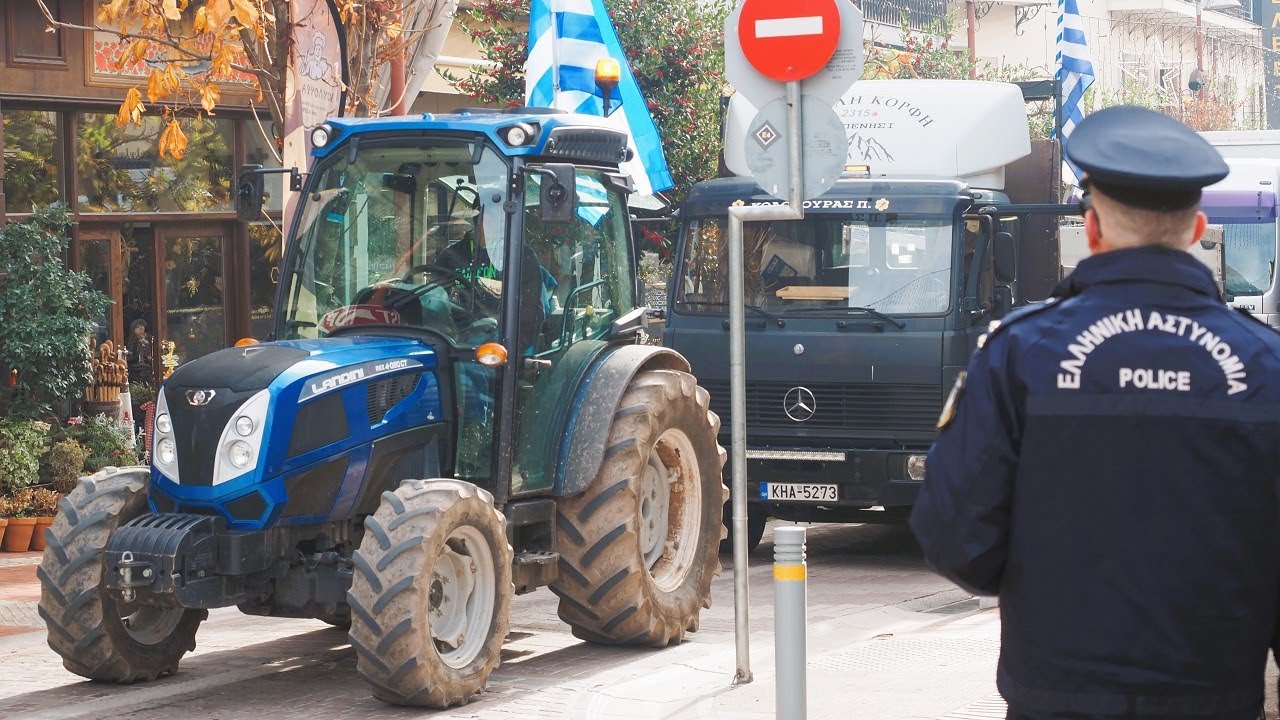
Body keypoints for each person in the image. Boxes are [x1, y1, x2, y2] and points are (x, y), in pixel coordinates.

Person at [909, 105, 1280, 720]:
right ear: (1197, 229)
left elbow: (953, 536)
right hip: (1213, 698)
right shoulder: (1265, 365)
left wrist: (1051, 592)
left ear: (1093, 229)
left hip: (1056, 697)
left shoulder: (1020, 353)